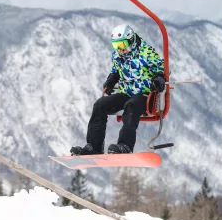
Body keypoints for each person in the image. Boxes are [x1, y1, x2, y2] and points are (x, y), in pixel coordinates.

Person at [70, 24, 165, 155]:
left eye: (122, 45)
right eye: (116, 45)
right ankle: (94, 146)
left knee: (131, 106)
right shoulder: (117, 56)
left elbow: (162, 68)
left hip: (144, 95)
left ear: (131, 40)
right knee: (100, 105)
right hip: (126, 92)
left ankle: (125, 146)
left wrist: (159, 78)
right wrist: (111, 80)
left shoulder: (146, 53)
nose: (120, 49)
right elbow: (116, 71)